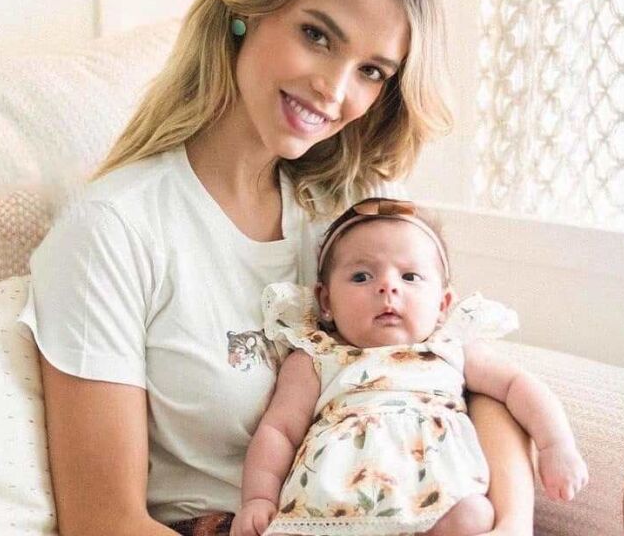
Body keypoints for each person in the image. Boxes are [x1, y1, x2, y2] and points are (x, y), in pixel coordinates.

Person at [18, 0, 537, 535]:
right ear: (248, 7)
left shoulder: (357, 214)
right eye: (317, 35)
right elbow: (103, 521)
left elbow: (474, 380)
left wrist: (513, 524)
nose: (334, 90)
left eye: (371, 71)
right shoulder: (112, 230)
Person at [232, 198, 588, 536]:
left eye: (410, 277)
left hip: (436, 498)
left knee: (474, 514)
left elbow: (516, 385)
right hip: (335, 510)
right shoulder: (316, 357)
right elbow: (279, 431)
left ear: (443, 304)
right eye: (361, 277)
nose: (388, 287)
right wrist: (258, 498)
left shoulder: (450, 349)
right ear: (326, 301)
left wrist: (556, 444)